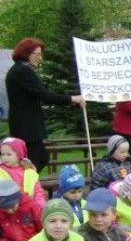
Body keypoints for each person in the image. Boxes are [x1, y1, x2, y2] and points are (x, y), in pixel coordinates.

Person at [5, 37, 85, 172]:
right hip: (27, 127)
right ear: (27, 53)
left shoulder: (19, 70)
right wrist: (72, 99)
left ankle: (25, 187)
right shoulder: (23, 71)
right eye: (37, 54)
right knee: (36, 160)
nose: (40, 58)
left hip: (25, 126)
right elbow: (44, 95)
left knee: (38, 159)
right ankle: (24, 188)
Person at [0, 137, 47, 209]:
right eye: (2, 154)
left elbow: (38, 191)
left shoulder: (29, 172)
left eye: (9, 154)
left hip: (29, 208)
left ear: (19, 155)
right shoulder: (1, 171)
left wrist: (40, 205)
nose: (5, 157)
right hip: (8, 209)